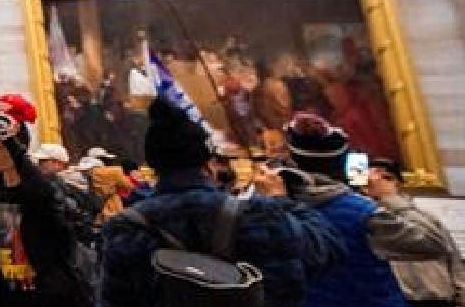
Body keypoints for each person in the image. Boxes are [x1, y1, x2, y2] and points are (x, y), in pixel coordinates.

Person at [100, 96, 340, 307]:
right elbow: (326, 248)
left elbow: (114, 299)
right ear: (208, 164)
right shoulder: (256, 213)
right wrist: (279, 198)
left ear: (154, 167)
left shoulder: (125, 229)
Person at [281, 113, 453, 307]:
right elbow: (433, 242)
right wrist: (391, 198)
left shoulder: (275, 210)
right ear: (343, 165)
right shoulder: (363, 213)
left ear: (292, 163)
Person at [0, 106, 87, 307]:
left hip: (47, 292)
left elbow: (38, 192)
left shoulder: (40, 189)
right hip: (7, 293)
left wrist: (10, 139)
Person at [366, 159, 465, 307]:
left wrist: (461, 295)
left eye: (387, 178)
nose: (380, 181)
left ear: (398, 183)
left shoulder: (425, 218)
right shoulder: (366, 219)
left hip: (439, 299)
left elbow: (452, 258)